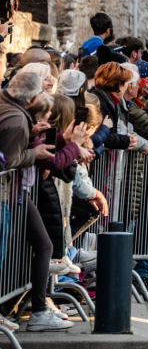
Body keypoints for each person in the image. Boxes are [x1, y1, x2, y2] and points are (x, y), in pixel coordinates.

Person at [0, 71, 73, 331]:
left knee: (38, 246)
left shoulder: (9, 107)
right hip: (9, 192)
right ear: (31, 99)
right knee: (38, 247)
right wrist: (34, 152)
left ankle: (37, 308)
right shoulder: (17, 118)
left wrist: (32, 136)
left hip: (15, 191)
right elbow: (8, 161)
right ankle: (39, 311)